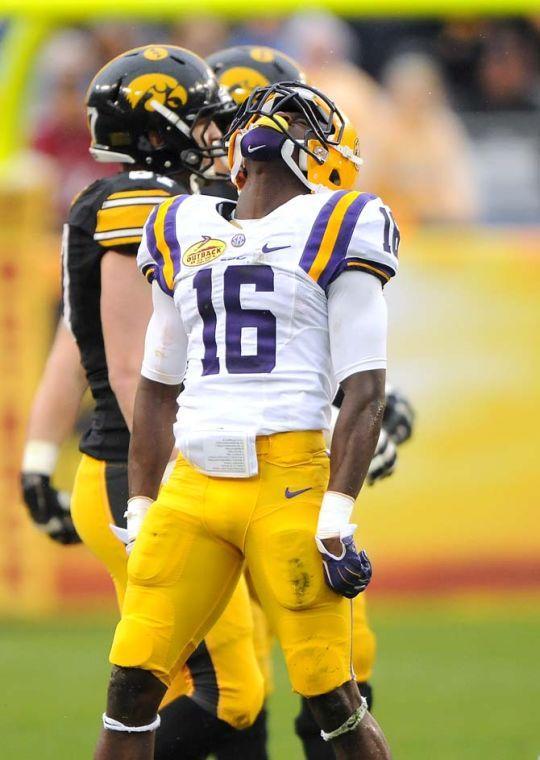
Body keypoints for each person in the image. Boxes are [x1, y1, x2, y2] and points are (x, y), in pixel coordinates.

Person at [94, 81, 398, 759]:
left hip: (285, 479)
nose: (272, 121)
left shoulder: (344, 221)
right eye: (267, 111)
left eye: (294, 117)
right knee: (131, 683)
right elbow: (157, 382)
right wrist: (142, 503)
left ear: (324, 157)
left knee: (331, 695)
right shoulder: (181, 224)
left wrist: (336, 515)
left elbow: (365, 389)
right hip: (193, 482)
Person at [21, 44, 267, 759]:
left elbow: (84, 339)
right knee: (224, 691)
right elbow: (129, 369)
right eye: (201, 119)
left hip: (141, 463)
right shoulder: (137, 206)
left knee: (218, 686)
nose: (216, 134)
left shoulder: (165, 203)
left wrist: (39, 455)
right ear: (159, 128)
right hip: (142, 469)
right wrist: (190, 471)